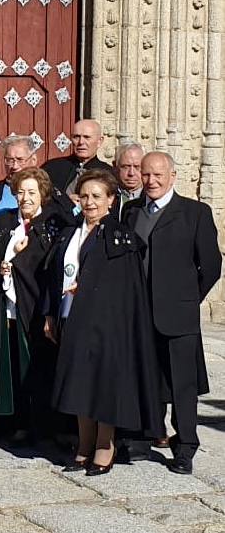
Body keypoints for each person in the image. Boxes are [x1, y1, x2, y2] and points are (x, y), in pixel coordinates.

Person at [44, 170, 163, 476]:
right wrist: (49, 314)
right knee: (79, 386)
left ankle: (103, 447)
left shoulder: (120, 238)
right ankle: (83, 445)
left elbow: (124, 289)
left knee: (103, 388)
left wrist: (89, 292)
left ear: (111, 200)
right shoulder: (70, 233)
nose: (90, 202)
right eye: (84, 196)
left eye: (97, 196)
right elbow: (54, 276)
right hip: (71, 320)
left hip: (105, 326)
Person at [122, 151, 222, 475]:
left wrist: (186, 299)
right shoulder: (131, 210)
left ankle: (185, 446)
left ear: (173, 176)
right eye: (145, 174)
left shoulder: (195, 212)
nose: (150, 181)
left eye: (157, 175)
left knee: (182, 384)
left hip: (177, 315)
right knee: (144, 378)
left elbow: (211, 266)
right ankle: (142, 436)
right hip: (139, 314)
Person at [0, 167, 66, 443]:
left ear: (42, 195)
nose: (25, 198)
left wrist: (20, 260)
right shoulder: (4, 222)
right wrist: (1, 265)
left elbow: (51, 264)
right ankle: (9, 417)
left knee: (34, 365)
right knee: (7, 363)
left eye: (31, 192)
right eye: (20, 192)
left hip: (34, 307)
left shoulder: (51, 224)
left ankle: (38, 423)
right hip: (4, 305)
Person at [41, 119, 112, 204]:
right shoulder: (52, 168)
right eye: (76, 137)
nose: (81, 142)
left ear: (99, 141)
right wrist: (64, 202)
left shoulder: (108, 173)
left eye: (87, 137)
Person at [111, 141, 145, 219]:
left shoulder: (152, 198)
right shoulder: (106, 196)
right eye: (126, 167)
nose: (131, 173)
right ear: (115, 166)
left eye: (137, 167)